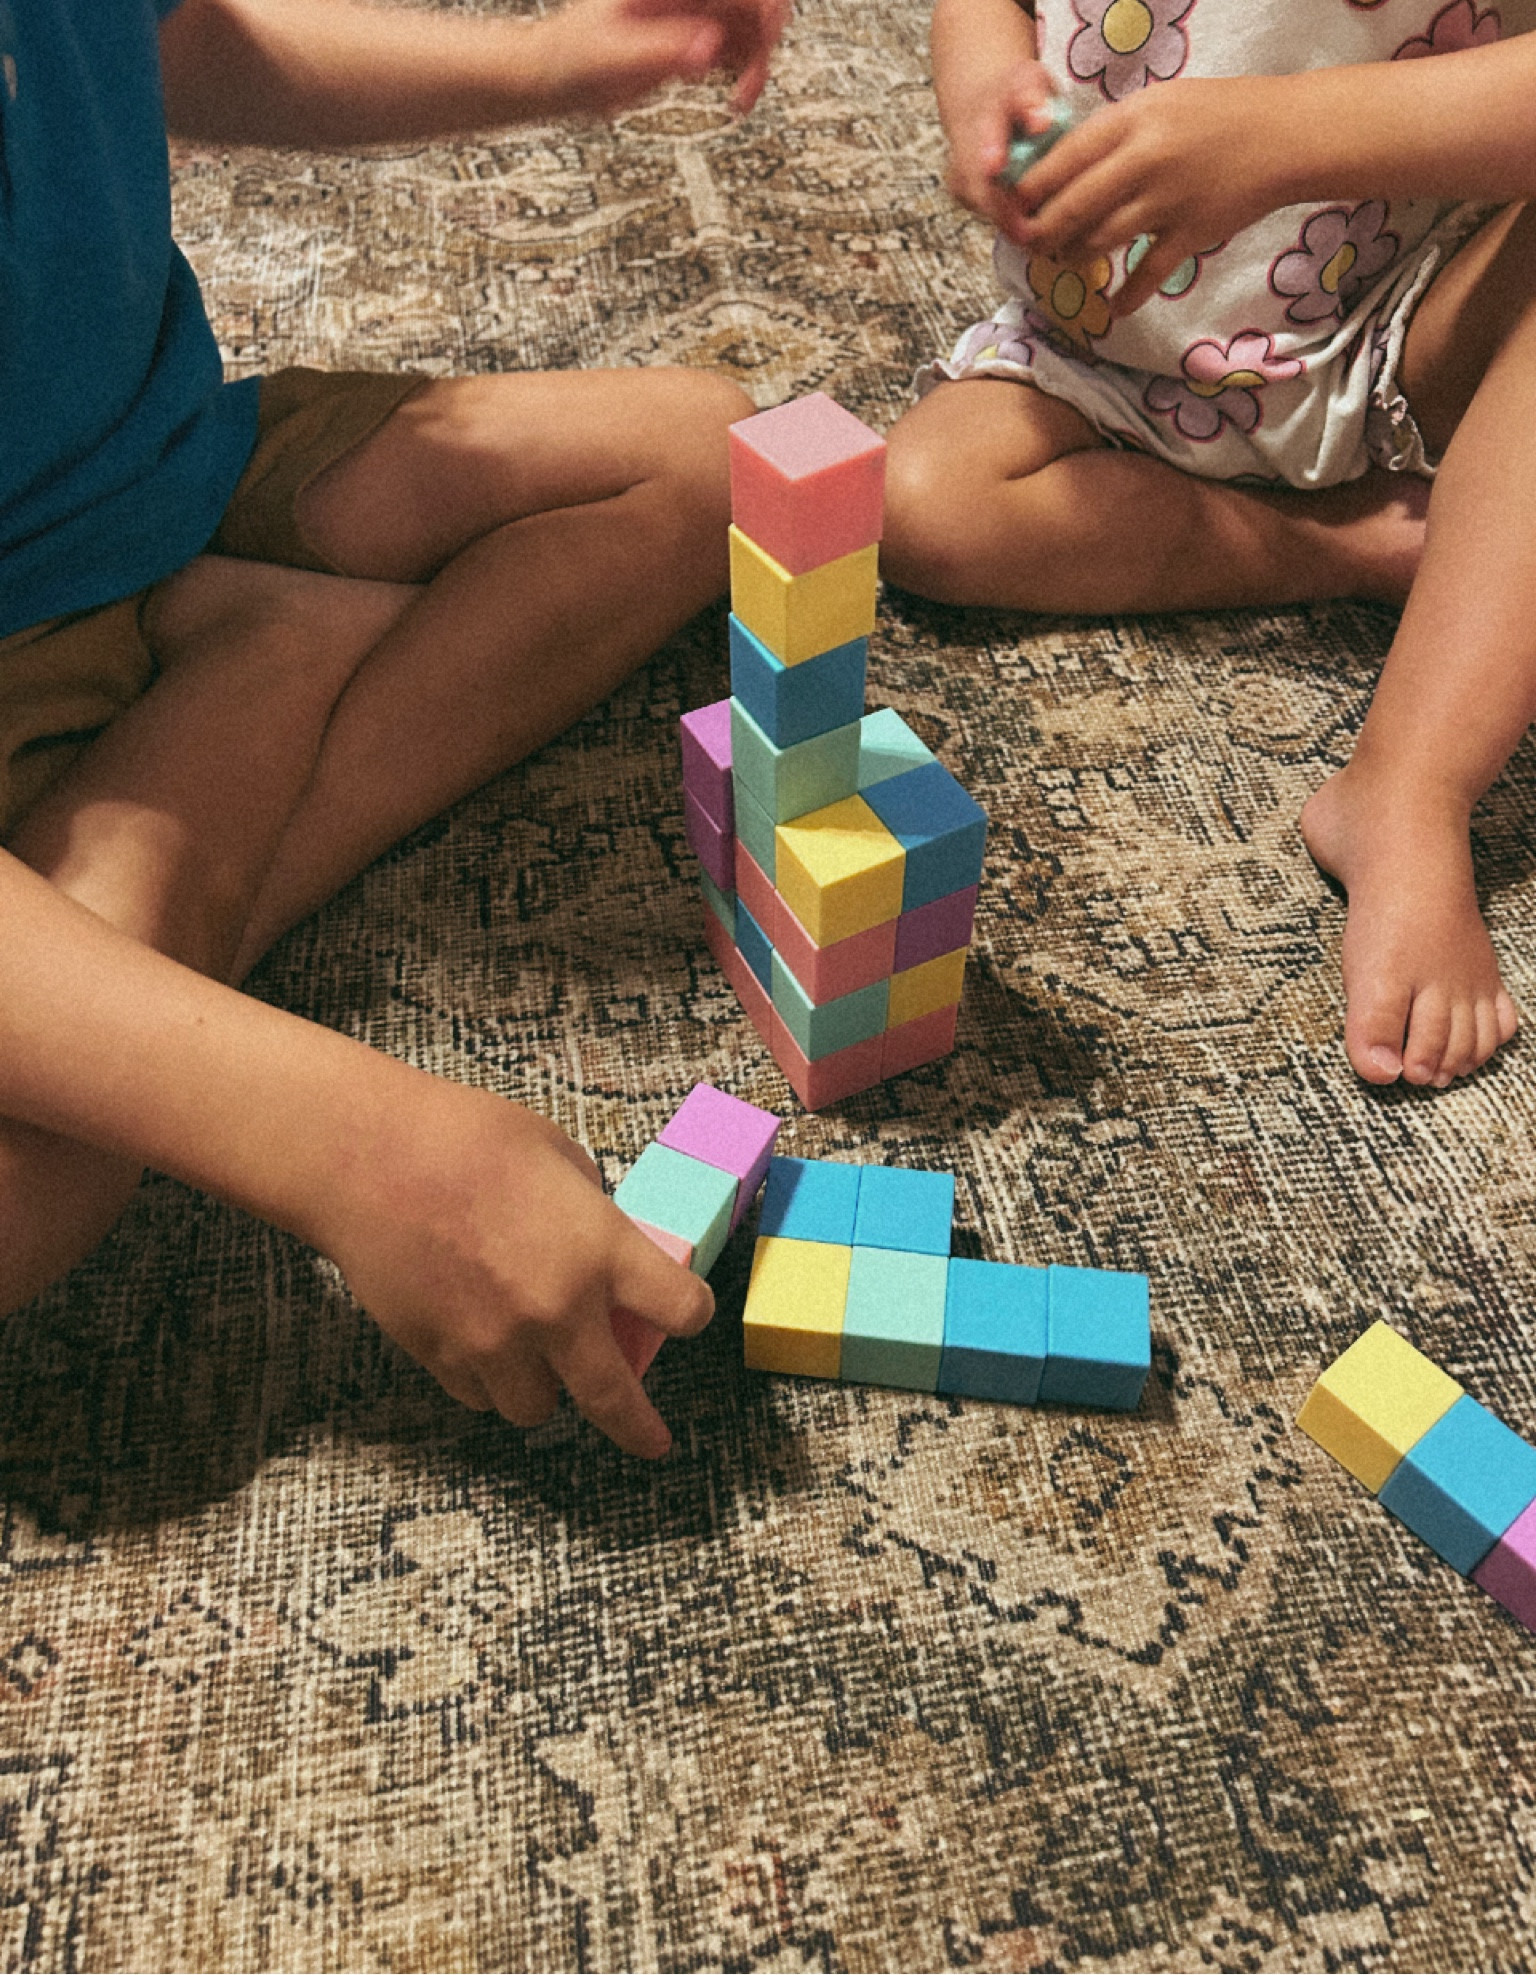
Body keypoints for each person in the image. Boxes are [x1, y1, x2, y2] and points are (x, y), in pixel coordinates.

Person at [0, 0, 789, 1458]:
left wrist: (556, 62)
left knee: (711, 457)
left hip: (166, 474)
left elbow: (178, 40)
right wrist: (356, 1143)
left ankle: (155, 909)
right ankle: (258, 674)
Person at [882, 0, 1536, 1091]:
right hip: (1105, 357)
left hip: (1407, 317)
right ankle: (1364, 538)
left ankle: (1409, 787)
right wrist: (983, 85)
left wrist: (1281, 135)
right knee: (918, 501)